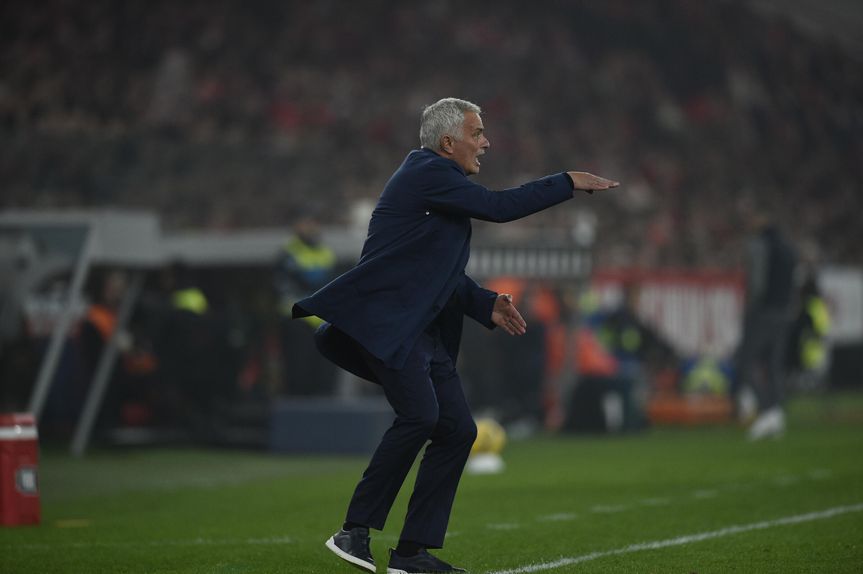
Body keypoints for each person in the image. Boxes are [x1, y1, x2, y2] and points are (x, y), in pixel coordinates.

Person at [292, 98, 618, 573]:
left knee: (458, 430)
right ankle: (354, 531)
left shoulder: (438, 188)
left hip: (423, 335)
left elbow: (436, 273)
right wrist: (566, 181)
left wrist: (485, 303)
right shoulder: (426, 173)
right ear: (448, 142)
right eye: (477, 133)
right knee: (421, 416)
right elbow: (499, 207)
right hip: (392, 328)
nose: (485, 142)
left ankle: (411, 554)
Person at [733, 197, 797, 440]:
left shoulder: (759, 244)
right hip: (784, 312)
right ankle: (776, 415)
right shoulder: (788, 247)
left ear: (761, 217)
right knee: (773, 365)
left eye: (752, 216)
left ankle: (767, 410)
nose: (748, 221)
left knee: (744, 362)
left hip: (764, 312)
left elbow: (757, 282)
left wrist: (750, 310)